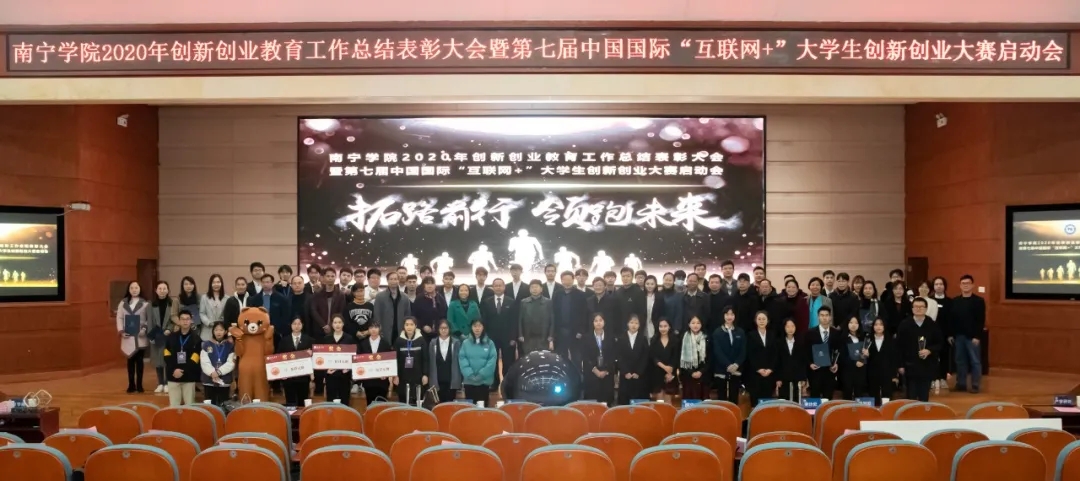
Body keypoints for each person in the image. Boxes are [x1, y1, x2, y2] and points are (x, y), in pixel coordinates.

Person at [897, 298, 943, 402]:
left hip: (927, 366)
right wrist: (900, 365)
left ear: (926, 309)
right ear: (912, 308)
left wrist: (929, 350)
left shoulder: (932, 324)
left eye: (921, 307)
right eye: (916, 307)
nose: (918, 309)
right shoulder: (905, 324)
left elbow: (939, 343)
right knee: (911, 396)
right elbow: (899, 346)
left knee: (924, 396)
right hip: (909, 366)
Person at [481, 278, 518, 391]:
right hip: (491, 337)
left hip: (508, 337)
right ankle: (494, 382)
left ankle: (507, 383)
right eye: (496, 285)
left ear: (504, 287)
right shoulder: (486, 302)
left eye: (500, 285)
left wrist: (513, 337)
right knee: (492, 361)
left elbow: (514, 321)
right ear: (493, 287)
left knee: (508, 361)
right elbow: (484, 320)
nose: (498, 287)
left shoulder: (511, 301)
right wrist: (485, 336)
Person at [950, 274, 984, 394]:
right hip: (959, 336)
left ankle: (975, 385)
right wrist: (951, 334)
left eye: (968, 283)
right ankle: (961, 384)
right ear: (960, 285)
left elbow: (981, 320)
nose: (965, 285)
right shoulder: (955, 301)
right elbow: (952, 320)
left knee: (975, 362)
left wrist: (977, 336)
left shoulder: (979, 301)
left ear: (972, 285)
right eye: (963, 283)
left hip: (972, 337)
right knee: (960, 361)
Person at [117, 280, 150, 393]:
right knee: (130, 362)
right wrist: (121, 331)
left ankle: (140, 385)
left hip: (140, 336)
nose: (134, 290)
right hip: (128, 336)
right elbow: (119, 318)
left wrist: (144, 329)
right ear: (129, 289)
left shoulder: (145, 303)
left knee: (140, 362)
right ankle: (131, 384)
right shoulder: (123, 303)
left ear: (140, 289)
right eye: (132, 288)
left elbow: (148, 319)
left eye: (136, 287)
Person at [163, 309, 202, 406]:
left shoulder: (196, 339)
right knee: (174, 407)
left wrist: (182, 371)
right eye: (183, 319)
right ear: (179, 321)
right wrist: (174, 370)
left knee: (190, 406)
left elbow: (195, 358)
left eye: (187, 319)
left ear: (191, 321)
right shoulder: (171, 337)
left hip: (189, 377)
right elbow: (167, 355)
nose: (185, 321)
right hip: (173, 376)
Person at [804, 306, 841, 400]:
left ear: (830, 317)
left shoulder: (836, 333)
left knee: (828, 399)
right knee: (814, 398)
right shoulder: (810, 333)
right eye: (822, 315)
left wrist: (836, 364)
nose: (824, 318)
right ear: (818, 317)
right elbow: (805, 351)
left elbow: (839, 350)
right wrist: (810, 364)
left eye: (826, 315)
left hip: (830, 371)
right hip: (815, 371)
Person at [149, 280, 179, 394]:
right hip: (156, 334)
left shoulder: (172, 303)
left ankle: (167, 382)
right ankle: (160, 383)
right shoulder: (151, 305)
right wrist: (151, 335)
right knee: (158, 360)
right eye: (160, 289)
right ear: (156, 290)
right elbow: (149, 321)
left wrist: (169, 329)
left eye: (164, 288)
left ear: (168, 290)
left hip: (168, 335)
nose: (162, 291)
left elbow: (174, 319)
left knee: (168, 360)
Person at [459, 319, 498, 406]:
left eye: (479, 326)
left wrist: (481, 375)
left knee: (482, 408)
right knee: (470, 408)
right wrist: (470, 374)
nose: (477, 328)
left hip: (484, 381)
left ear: (483, 327)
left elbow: (492, 360)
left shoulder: (490, 343)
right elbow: (462, 359)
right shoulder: (465, 343)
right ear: (471, 328)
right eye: (475, 326)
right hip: (469, 381)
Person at [275, 316, 314, 406]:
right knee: (290, 404)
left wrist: (311, 354)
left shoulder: (309, 340)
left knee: (302, 403)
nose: (297, 326)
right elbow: (278, 358)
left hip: (303, 377)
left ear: (302, 325)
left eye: (299, 324)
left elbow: (315, 359)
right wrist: (281, 373)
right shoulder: (284, 341)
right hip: (288, 378)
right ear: (291, 325)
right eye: (294, 324)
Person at [711, 306, 745, 404]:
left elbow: (743, 350)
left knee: (734, 397)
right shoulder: (717, 332)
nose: (729, 317)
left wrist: (736, 364)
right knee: (721, 398)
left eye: (732, 314)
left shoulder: (740, 332)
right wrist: (728, 365)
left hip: (736, 369)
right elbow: (717, 351)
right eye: (727, 314)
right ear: (723, 316)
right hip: (721, 369)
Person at [390, 317, 429, 405]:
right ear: (404, 326)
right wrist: (395, 375)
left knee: (418, 403)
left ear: (415, 326)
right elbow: (395, 359)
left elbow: (425, 359)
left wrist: (425, 374)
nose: (409, 327)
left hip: (418, 377)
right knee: (403, 403)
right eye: (407, 325)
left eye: (411, 324)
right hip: (403, 377)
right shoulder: (399, 341)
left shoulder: (421, 340)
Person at [550, 271, 587, 362]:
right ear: (561, 281)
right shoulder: (557, 294)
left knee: (576, 357)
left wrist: (581, 331)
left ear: (573, 280)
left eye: (569, 280)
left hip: (575, 331)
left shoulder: (580, 295)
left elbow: (584, 314)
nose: (567, 282)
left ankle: (576, 371)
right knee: (561, 357)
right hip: (560, 331)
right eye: (565, 280)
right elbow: (553, 313)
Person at [581, 313, 616, 406]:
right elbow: (585, 356)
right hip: (592, 373)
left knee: (606, 402)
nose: (598, 323)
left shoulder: (610, 337)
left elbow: (613, 355)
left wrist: (606, 370)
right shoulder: (586, 338)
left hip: (607, 373)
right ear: (592, 323)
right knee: (592, 402)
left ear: (604, 322)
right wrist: (595, 370)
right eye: (596, 321)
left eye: (600, 320)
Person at [322, 314, 357, 405]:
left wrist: (349, 368)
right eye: (335, 322)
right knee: (331, 402)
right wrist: (326, 370)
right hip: (331, 375)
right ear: (332, 324)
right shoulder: (326, 339)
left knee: (345, 401)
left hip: (344, 375)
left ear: (343, 324)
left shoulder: (349, 338)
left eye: (339, 322)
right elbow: (322, 357)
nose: (337, 325)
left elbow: (354, 357)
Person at [744, 311, 778, 406]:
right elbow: (749, 354)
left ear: (768, 321)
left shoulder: (772, 335)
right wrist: (758, 368)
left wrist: (770, 369)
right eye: (759, 319)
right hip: (755, 374)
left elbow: (775, 353)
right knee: (755, 403)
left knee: (768, 403)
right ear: (755, 321)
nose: (761, 321)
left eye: (764, 319)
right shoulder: (750, 335)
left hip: (769, 374)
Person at [615, 315, 650, 405]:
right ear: (627, 324)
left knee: (639, 402)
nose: (634, 325)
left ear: (639, 325)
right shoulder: (621, 338)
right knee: (624, 402)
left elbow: (645, 357)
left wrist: (638, 372)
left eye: (636, 323)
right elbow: (618, 356)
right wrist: (625, 372)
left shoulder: (643, 339)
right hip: (625, 375)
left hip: (639, 376)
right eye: (631, 322)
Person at [357, 322, 393, 406]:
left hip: (382, 380)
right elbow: (359, 361)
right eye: (371, 327)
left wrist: (387, 373)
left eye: (376, 327)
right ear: (368, 329)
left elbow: (390, 361)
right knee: (370, 404)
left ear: (379, 329)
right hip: (368, 381)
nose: (373, 330)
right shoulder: (363, 344)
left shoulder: (385, 343)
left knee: (381, 404)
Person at [200, 321, 236, 406]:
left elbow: (231, 363)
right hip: (209, 380)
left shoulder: (230, 346)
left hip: (224, 381)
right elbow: (204, 361)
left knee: (223, 406)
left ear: (225, 331)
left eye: (221, 330)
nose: (218, 332)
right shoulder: (206, 344)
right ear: (213, 331)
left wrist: (219, 372)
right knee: (210, 406)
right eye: (216, 330)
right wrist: (212, 373)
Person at [865, 318, 899, 405]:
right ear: (873, 327)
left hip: (887, 373)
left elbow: (893, 359)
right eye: (876, 324)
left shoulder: (890, 340)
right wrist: (866, 355)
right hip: (872, 373)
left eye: (881, 324)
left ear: (884, 326)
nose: (878, 327)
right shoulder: (868, 340)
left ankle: (886, 412)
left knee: (887, 398)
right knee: (873, 397)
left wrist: (894, 375)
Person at [428, 320, 462, 403]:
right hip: (437, 381)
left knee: (450, 405)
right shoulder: (433, 343)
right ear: (438, 329)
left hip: (451, 380)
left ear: (449, 329)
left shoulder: (456, 343)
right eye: (441, 328)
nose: (443, 330)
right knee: (438, 405)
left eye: (446, 328)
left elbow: (459, 362)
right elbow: (431, 362)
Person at [678, 316, 711, 400]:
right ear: (688, 324)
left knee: (703, 402)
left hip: (703, 375)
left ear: (701, 324)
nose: (695, 325)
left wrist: (701, 371)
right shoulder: (683, 338)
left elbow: (710, 358)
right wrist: (691, 372)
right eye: (693, 323)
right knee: (689, 401)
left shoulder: (707, 338)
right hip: (688, 375)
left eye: (698, 323)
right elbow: (679, 357)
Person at [517, 280, 554, 354]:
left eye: (536, 287)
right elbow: (520, 319)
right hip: (528, 336)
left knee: (543, 356)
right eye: (532, 287)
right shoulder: (524, 302)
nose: (534, 289)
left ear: (541, 289)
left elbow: (552, 320)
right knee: (528, 356)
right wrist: (520, 334)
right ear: (529, 289)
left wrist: (551, 335)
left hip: (543, 336)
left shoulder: (548, 302)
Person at [775, 318, 807, 402]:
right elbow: (777, 361)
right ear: (784, 328)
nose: (790, 329)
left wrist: (803, 378)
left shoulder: (800, 342)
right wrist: (778, 378)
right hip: (783, 378)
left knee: (796, 402)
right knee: (783, 403)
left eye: (792, 326)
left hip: (797, 378)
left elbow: (803, 361)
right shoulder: (779, 342)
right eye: (788, 326)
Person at [930, 276, 953, 392]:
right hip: (932, 334)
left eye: (941, 284)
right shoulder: (930, 301)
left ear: (944, 286)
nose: (939, 286)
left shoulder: (950, 302)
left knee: (944, 356)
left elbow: (952, 319)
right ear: (933, 286)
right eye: (936, 284)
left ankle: (943, 378)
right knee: (932, 356)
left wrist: (950, 334)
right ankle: (933, 379)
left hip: (945, 334)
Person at [649, 318, 680, 403]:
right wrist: (664, 367)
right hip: (657, 371)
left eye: (665, 326)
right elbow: (652, 356)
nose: (663, 328)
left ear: (669, 327)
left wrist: (670, 370)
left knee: (668, 401)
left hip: (670, 372)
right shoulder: (654, 340)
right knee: (659, 401)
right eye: (661, 326)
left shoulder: (675, 340)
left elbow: (676, 356)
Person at [374, 271, 413, 336]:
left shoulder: (405, 297)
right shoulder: (380, 296)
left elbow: (408, 315)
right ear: (387, 281)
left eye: (395, 279)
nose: (393, 281)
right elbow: (377, 315)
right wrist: (378, 329)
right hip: (385, 330)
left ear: (398, 280)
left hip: (401, 330)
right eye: (391, 279)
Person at [839, 317, 868, 400]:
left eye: (856, 323)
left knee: (859, 395)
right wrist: (854, 362)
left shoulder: (863, 338)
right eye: (851, 322)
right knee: (847, 394)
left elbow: (866, 354)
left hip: (861, 371)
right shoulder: (843, 338)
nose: (853, 325)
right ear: (847, 324)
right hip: (847, 371)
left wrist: (867, 355)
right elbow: (842, 356)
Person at [199, 274, 227, 340]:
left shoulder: (227, 298)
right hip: (207, 329)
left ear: (221, 283)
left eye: (218, 282)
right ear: (210, 284)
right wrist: (209, 323)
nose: (216, 284)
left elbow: (227, 315)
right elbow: (202, 313)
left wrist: (221, 324)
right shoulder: (204, 297)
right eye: (213, 282)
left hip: (221, 331)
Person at [642, 275, 665, 341]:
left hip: (655, 324)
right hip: (643, 324)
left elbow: (662, 312)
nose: (649, 286)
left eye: (652, 284)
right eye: (647, 284)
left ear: (655, 285)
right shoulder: (641, 296)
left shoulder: (660, 297)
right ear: (644, 284)